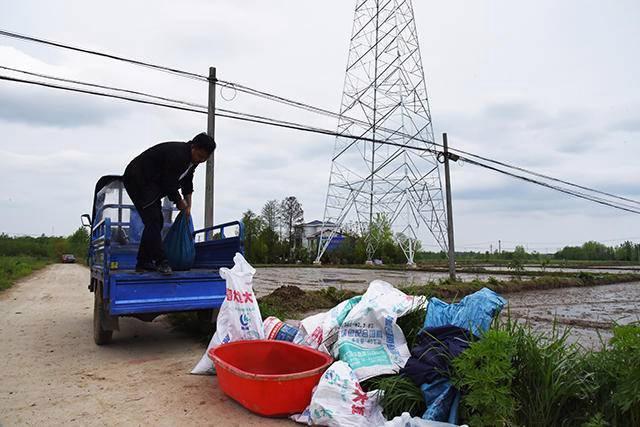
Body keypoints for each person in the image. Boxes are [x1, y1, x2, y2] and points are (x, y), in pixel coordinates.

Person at [123, 133, 216, 275]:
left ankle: (143, 262)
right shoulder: (178, 155)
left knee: (155, 222)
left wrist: (188, 205)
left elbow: (187, 182)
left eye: (204, 159)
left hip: (152, 184)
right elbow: (169, 182)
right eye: (199, 156)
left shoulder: (192, 162)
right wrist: (178, 201)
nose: (200, 160)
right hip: (138, 179)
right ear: (193, 147)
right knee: (154, 220)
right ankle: (162, 261)